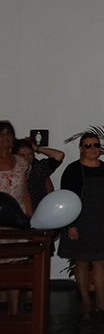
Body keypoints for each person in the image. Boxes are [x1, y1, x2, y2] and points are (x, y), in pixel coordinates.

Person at [58, 132, 104, 317]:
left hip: (102, 219)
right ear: (81, 148)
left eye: (96, 145)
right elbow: (67, 199)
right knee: (81, 261)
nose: (93, 149)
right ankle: (86, 302)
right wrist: (71, 225)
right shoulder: (73, 170)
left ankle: (101, 302)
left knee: (100, 262)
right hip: (79, 219)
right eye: (88, 146)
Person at [0, 120, 33, 315]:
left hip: (17, 220)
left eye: (8, 134)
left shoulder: (21, 163)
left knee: (15, 265)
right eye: (1, 134)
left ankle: (14, 312)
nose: (5, 137)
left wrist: (31, 218)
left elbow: (25, 193)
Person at [13, 138, 65, 213]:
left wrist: (36, 148)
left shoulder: (38, 168)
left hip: (37, 212)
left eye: (30, 153)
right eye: (22, 155)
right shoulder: (9, 171)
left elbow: (59, 155)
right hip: (15, 213)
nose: (27, 157)